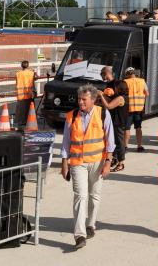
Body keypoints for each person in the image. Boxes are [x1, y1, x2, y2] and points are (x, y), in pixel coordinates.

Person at [60, 84, 115, 250]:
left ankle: (90, 225)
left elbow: (110, 140)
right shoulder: (72, 116)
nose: (81, 102)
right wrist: (64, 163)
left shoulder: (103, 113)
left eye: (84, 99)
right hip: (78, 163)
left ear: (93, 100)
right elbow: (66, 142)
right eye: (79, 99)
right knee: (80, 196)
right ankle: (80, 235)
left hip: (98, 162)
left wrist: (108, 162)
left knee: (94, 195)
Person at [98, 69, 128, 172]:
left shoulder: (120, 98)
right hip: (115, 122)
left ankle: (121, 163)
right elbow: (110, 101)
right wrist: (104, 96)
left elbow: (109, 106)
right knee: (113, 142)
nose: (114, 89)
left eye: (115, 88)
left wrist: (102, 95)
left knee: (119, 143)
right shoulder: (119, 97)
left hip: (118, 123)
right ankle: (114, 160)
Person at [124, 67, 148, 153]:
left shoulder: (125, 82)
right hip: (139, 109)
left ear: (127, 74)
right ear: (134, 73)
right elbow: (147, 93)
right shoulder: (142, 81)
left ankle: (125, 147)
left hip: (128, 109)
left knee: (127, 128)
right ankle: (139, 146)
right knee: (138, 127)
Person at [14, 60, 37, 131]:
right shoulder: (31, 73)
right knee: (29, 110)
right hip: (29, 94)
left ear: (21, 66)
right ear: (28, 65)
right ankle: (28, 122)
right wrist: (35, 72)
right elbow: (35, 79)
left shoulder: (18, 73)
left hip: (20, 95)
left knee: (21, 110)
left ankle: (21, 123)